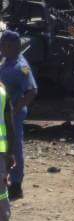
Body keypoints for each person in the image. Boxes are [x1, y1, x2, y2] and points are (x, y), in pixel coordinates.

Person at [0, 30, 37, 201]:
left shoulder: (20, 66)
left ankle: (16, 185)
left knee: (15, 147)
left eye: (4, 45)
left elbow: (32, 91)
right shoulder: (7, 61)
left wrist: (15, 110)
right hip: (3, 113)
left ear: (13, 46)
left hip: (12, 116)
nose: (1, 48)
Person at [0, 80, 14, 221]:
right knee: (1, 193)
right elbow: (10, 125)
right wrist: (11, 153)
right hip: (1, 150)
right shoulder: (3, 92)